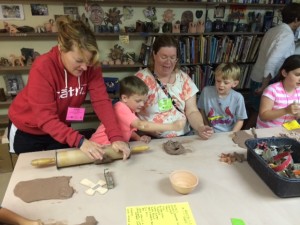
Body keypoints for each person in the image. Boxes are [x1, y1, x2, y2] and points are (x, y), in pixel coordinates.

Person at [7, 16, 130, 160]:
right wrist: (81, 141)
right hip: (27, 130)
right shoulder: (43, 66)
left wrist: (116, 136)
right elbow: (45, 118)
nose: (85, 67)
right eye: (78, 61)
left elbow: (102, 102)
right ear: (61, 48)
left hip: (59, 128)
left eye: (88, 61)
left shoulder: (90, 66)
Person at [135, 35, 213, 139]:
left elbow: (192, 111)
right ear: (154, 55)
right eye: (164, 57)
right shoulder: (141, 79)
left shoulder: (183, 79)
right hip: (152, 139)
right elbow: (129, 114)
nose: (168, 62)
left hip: (183, 136)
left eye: (172, 57)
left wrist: (200, 127)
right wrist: (143, 133)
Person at [245, 3, 300, 129]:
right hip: (266, 79)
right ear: (296, 19)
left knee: (255, 110)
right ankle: (244, 136)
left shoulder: (273, 29)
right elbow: (272, 61)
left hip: (257, 74)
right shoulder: (287, 35)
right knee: (260, 113)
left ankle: (245, 134)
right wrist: (265, 85)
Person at [90, 76, 186, 144]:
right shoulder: (120, 107)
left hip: (111, 147)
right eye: (138, 101)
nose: (142, 104)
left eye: (143, 101)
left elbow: (126, 130)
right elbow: (141, 125)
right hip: (99, 146)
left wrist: (138, 138)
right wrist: (172, 126)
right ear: (124, 98)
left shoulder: (129, 109)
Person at [198, 63, 247, 133]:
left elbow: (240, 120)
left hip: (229, 132)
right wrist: (207, 126)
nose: (221, 85)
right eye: (218, 81)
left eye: (226, 83)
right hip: (209, 131)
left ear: (235, 84)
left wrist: (231, 134)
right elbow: (201, 111)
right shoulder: (206, 91)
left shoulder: (238, 98)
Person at [257, 55, 300, 128]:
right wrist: (285, 110)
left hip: (289, 131)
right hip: (269, 133)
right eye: (297, 75)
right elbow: (263, 116)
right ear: (284, 73)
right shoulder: (272, 90)